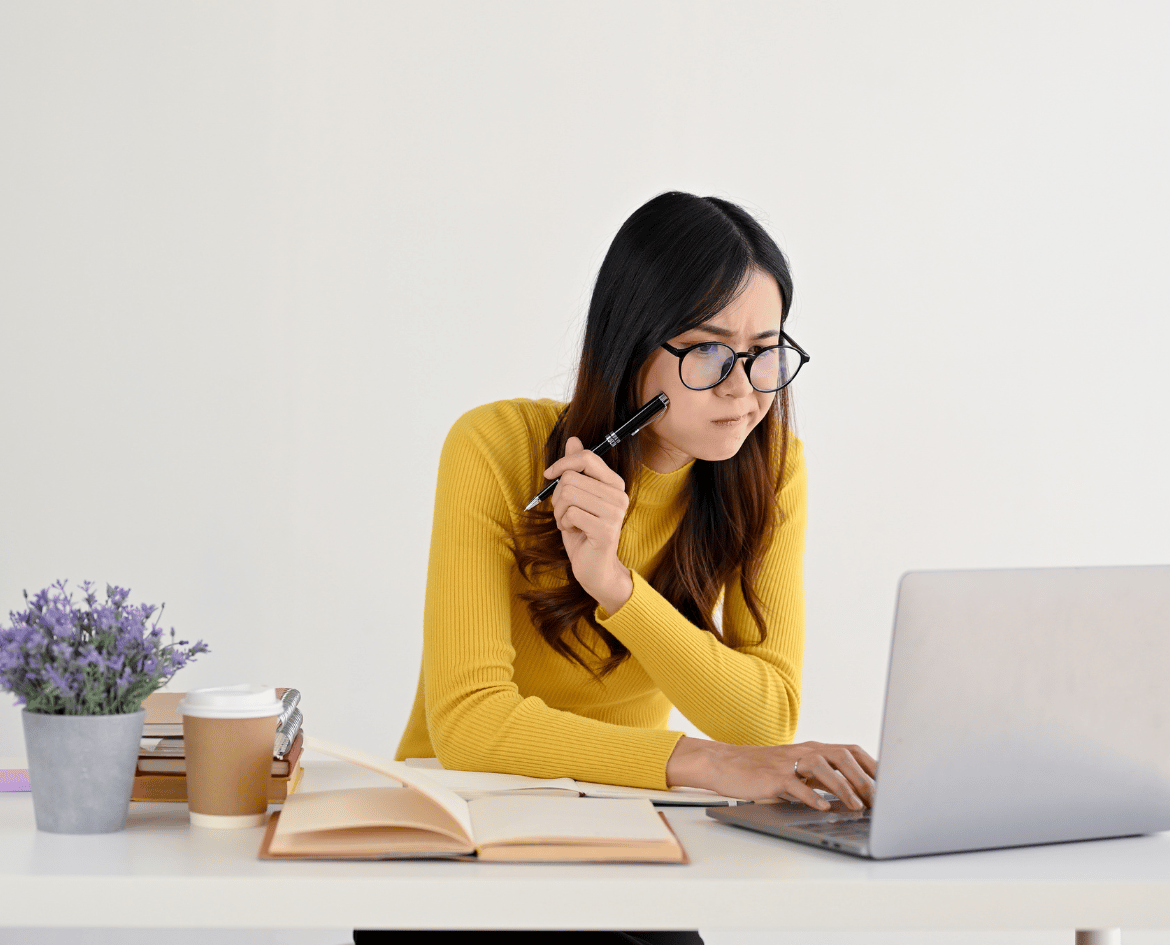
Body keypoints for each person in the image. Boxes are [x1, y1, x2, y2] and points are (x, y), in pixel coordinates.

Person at [356, 192, 876, 945]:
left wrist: (618, 588)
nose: (744, 387)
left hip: (618, 825)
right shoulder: (493, 447)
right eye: (708, 351)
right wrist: (702, 764)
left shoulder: (772, 470)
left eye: (765, 351)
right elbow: (468, 724)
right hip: (458, 829)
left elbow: (764, 717)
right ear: (633, 345)